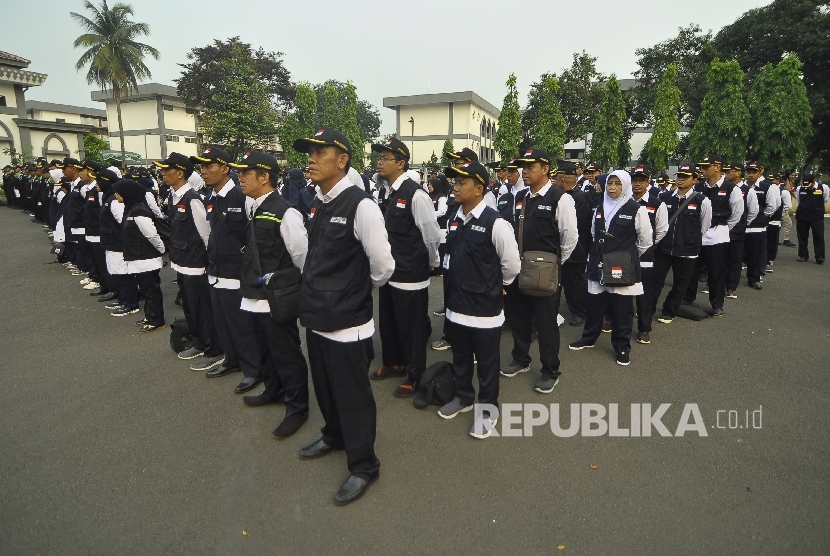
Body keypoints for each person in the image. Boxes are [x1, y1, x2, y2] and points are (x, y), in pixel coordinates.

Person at [293, 127, 394, 506]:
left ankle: (364, 465)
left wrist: (356, 288)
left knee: (354, 397)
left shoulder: (361, 205)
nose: (312, 158)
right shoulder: (319, 200)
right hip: (318, 316)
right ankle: (333, 435)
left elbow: (383, 265)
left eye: (321, 151)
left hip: (348, 322)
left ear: (343, 159)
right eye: (310, 151)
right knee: (326, 387)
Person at [231, 150, 311, 438]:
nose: (239, 178)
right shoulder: (252, 205)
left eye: (245, 173)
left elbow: (301, 256)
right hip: (255, 293)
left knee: (287, 353)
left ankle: (297, 406)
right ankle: (274, 391)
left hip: (276, 298)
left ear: (265, 177)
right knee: (265, 349)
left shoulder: (285, 211)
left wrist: (289, 287)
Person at [438, 160, 520, 437]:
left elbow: (512, 264)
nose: (455, 187)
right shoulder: (454, 217)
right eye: (455, 182)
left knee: (487, 365)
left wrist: (501, 284)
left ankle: (488, 410)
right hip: (457, 306)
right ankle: (462, 397)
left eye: (462, 183)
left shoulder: (495, 223)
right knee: (461, 358)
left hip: (485, 310)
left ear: (479, 188)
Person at [366, 137, 441, 398]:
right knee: (389, 322)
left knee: (412, 326)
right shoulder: (387, 192)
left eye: (386, 158)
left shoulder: (416, 194)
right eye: (380, 157)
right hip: (390, 271)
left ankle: (414, 372)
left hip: (411, 271)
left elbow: (430, 234)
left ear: (401, 163)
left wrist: (432, 261)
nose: (380, 161)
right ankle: (394, 362)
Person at [499, 149, 578, 393]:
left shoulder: (560, 198)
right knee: (519, 318)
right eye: (523, 167)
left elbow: (570, 238)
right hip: (520, 268)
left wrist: (554, 264)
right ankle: (521, 359)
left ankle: (550, 370)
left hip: (546, 270)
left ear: (545, 169)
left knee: (546, 324)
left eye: (530, 167)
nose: (524, 171)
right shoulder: (522, 196)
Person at [193, 147, 263, 395]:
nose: (204, 172)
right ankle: (232, 360)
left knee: (241, 324)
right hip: (216, 269)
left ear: (225, 169)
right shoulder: (209, 197)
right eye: (202, 167)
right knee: (223, 322)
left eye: (209, 166)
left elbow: (253, 237)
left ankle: (253, 369)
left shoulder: (241, 196)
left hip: (236, 272)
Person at [569, 170, 653, 365]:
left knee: (622, 309)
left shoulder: (636, 209)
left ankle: (622, 347)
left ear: (625, 185)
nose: (612, 187)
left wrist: (629, 258)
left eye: (617, 183)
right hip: (597, 262)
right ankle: (589, 337)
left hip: (621, 265)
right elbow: (592, 233)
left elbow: (646, 240)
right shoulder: (599, 207)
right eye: (609, 183)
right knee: (595, 304)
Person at [155, 153, 225, 372]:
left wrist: (210, 263)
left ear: (180, 173)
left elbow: (206, 235)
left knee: (202, 309)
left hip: (196, 263)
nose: (163, 174)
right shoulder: (174, 197)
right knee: (190, 308)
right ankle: (198, 341)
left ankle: (213, 349)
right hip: (181, 262)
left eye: (167, 170)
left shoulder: (192, 198)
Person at [651, 163, 712, 323]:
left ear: (695, 180)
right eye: (679, 176)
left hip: (687, 250)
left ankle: (669, 311)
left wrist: (690, 240)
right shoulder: (664, 198)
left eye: (685, 177)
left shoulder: (702, 200)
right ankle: (648, 309)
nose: (681, 180)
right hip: (663, 249)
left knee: (680, 284)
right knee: (655, 281)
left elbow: (704, 226)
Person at [684, 154, 743, 316]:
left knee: (716, 272)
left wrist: (722, 227)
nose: (702, 170)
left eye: (705, 167)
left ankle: (717, 304)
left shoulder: (731, 189)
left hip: (718, 235)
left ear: (717, 167)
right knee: (692, 270)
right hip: (698, 235)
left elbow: (737, 214)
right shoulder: (699, 187)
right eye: (701, 167)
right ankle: (687, 299)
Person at [114, 179, 165, 332]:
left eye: (118, 192)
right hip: (139, 258)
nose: (116, 195)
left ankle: (156, 320)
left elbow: (152, 235)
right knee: (146, 289)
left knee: (151, 291)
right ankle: (149, 316)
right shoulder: (131, 208)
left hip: (147, 258)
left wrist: (161, 250)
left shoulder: (140, 211)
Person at [630, 163, 667, 343]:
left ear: (648, 182)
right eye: (634, 180)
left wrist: (646, 247)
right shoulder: (624, 202)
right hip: (624, 256)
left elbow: (661, 231)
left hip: (645, 257)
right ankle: (616, 321)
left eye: (641, 180)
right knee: (621, 292)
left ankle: (644, 328)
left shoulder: (657, 204)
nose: (637, 184)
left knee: (644, 295)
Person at [555, 160, 591, 327]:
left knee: (573, 283)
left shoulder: (579, 198)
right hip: (559, 248)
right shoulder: (560, 197)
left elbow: (574, 227)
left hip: (575, 250)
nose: (553, 181)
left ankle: (579, 312)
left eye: (555, 178)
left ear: (563, 180)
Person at [725, 162, 758, 298]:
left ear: (738, 173)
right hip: (722, 229)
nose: (726, 173)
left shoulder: (748, 190)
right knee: (720, 259)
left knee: (735, 259)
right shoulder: (723, 187)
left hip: (737, 230)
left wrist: (743, 223)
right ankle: (714, 284)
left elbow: (753, 211)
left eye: (730, 171)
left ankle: (731, 287)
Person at [743, 160, 778, 290]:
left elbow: (773, 206)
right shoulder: (741, 187)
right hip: (741, 226)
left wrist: (761, 217)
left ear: (759, 173)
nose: (751, 175)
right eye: (748, 172)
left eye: (754, 172)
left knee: (756, 255)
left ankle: (754, 278)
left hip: (757, 226)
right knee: (739, 255)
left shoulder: (767, 186)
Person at [795, 172, 828, 264]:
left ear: (814, 181)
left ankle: (820, 256)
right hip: (802, 215)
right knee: (802, 236)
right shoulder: (799, 188)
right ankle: (803, 254)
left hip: (817, 216)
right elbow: (799, 200)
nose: (807, 187)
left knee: (819, 236)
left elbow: (825, 199)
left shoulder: (823, 188)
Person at [780, 171, 796, 248]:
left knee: (782, 224)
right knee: (788, 223)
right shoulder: (782, 183)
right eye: (791, 175)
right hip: (782, 208)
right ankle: (786, 240)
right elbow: (787, 188)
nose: (793, 176)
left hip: (784, 208)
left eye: (794, 175)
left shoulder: (789, 182)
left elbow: (793, 192)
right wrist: (786, 178)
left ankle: (780, 239)